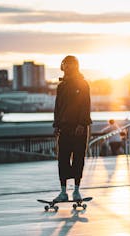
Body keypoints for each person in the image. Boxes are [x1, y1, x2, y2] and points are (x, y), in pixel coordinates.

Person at [52, 55, 91, 202]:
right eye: (65, 64)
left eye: (69, 64)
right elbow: (58, 107)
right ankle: (63, 192)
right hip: (64, 128)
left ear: (75, 66)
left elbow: (85, 105)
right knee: (62, 159)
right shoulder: (61, 86)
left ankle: (76, 190)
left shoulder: (83, 84)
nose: (67, 67)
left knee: (78, 158)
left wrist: (82, 124)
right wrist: (56, 125)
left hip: (79, 128)